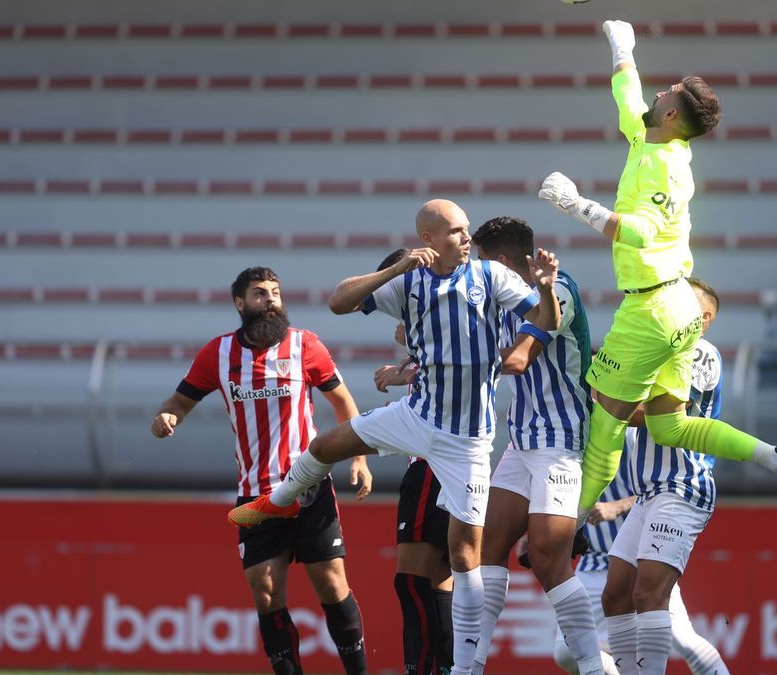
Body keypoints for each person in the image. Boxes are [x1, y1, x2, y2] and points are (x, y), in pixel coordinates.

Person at [227, 199, 562, 675]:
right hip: (417, 417)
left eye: (466, 230)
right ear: (428, 239)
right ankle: (278, 501)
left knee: (466, 555)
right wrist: (399, 268)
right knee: (324, 448)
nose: (466, 238)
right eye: (454, 231)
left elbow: (544, 318)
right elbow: (338, 301)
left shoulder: (490, 277)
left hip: (467, 440)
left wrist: (544, 294)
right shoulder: (410, 282)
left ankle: (466, 667)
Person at [537, 20, 777, 524]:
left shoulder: (665, 167)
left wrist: (574, 205)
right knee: (669, 426)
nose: (656, 90)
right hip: (679, 306)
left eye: (665, 91)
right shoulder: (651, 135)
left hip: (651, 308)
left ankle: (570, 524)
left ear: (670, 113)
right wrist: (621, 46)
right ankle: (776, 459)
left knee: (605, 423)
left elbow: (643, 233)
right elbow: (629, 97)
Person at [150, 266, 372, 675]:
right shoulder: (217, 354)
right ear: (240, 304)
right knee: (267, 595)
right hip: (257, 497)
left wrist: (357, 456)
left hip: (309, 485)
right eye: (259, 294)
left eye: (275, 292)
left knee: (331, 585)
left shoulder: (305, 345)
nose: (270, 300)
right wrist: (166, 418)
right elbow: (178, 402)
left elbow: (343, 403)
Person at [466, 217, 604, 675]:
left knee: (547, 558)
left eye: (483, 262)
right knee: (486, 548)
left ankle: (593, 668)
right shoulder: (498, 294)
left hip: (561, 441)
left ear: (503, 262)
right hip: (522, 438)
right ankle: (469, 666)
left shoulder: (558, 287)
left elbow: (521, 358)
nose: (478, 270)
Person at [598, 278, 732, 675]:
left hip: (682, 486)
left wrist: (607, 400)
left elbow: (659, 418)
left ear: (704, 319)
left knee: (648, 595)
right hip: (650, 491)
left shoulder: (702, 354)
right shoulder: (660, 347)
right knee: (615, 596)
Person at [553, 462, 729, 675]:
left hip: (640, 559)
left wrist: (617, 505)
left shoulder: (631, 435)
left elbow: (660, 487)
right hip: (593, 560)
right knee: (566, 651)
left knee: (684, 640)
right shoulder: (576, 437)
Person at [373, 248, 455, 675]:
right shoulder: (442, 322)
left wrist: (406, 366)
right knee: (442, 578)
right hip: (456, 463)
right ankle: (450, 668)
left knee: (412, 580)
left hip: (431, 462)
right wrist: (408, 370)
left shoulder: (436, 318)